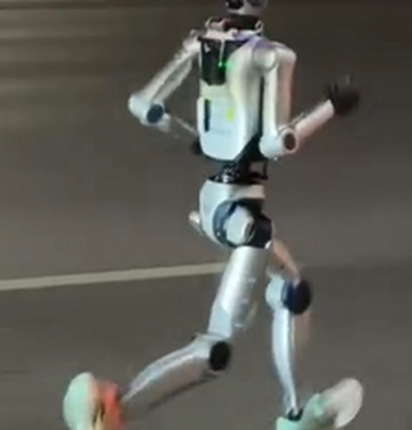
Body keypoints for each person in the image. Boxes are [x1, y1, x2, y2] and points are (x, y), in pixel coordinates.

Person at [62, 1, 363, 429]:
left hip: (216, 202)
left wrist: (195, 137)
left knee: (293, 290)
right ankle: (113, 412)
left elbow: (144, 106)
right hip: (241, 214)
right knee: (216, 348)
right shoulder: (271, 55)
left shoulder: (204, 42)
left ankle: (298, 412)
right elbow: (279, 141)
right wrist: (332, 106)